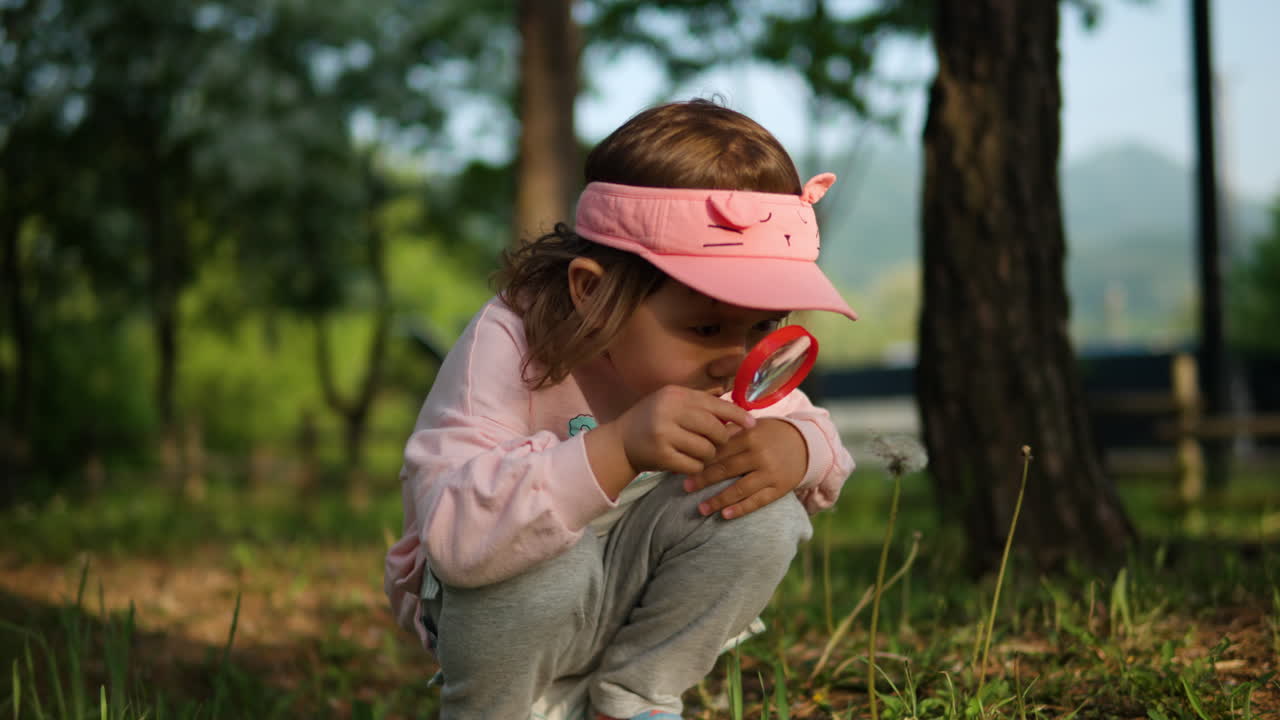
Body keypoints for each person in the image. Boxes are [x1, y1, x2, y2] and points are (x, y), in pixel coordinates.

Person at [384, 99, 857, 720]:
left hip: (626, 584)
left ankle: (635, 698)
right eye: (708, 324)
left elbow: (824, 446)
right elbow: (456, 537)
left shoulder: (728, 367)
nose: (736, 359)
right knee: (548, 560)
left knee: (765, 515)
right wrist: (617, 447)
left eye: (764, 324)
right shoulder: (513, 344)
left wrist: (799, 450)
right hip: (507, 604)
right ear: (593, 290)